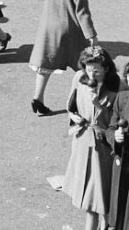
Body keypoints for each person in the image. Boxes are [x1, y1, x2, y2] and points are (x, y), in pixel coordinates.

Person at [29, 0, 98, 116]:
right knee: (84, 66)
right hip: (69, 30)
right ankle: (89, 102)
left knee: (45, 64)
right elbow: (83, 14)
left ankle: (38, 97)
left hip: (48, 27)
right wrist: (91, 36)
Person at [62, 47, 121, 230]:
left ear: (106, 69)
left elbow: (115, 120)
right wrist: (73, 116)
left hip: (103, 148)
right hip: (82, 142)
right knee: (89, 199)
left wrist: (98, 105)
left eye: (96, 69)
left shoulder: (117, 87)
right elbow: (71, 104)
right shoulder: (79, 78)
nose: (92, 73)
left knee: (100, 197)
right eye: (88, 68)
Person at [108, 62, 129, 230]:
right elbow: (111, 127)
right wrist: (115, 136)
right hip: (122, 160)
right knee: (118, 205)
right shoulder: (122, 98)